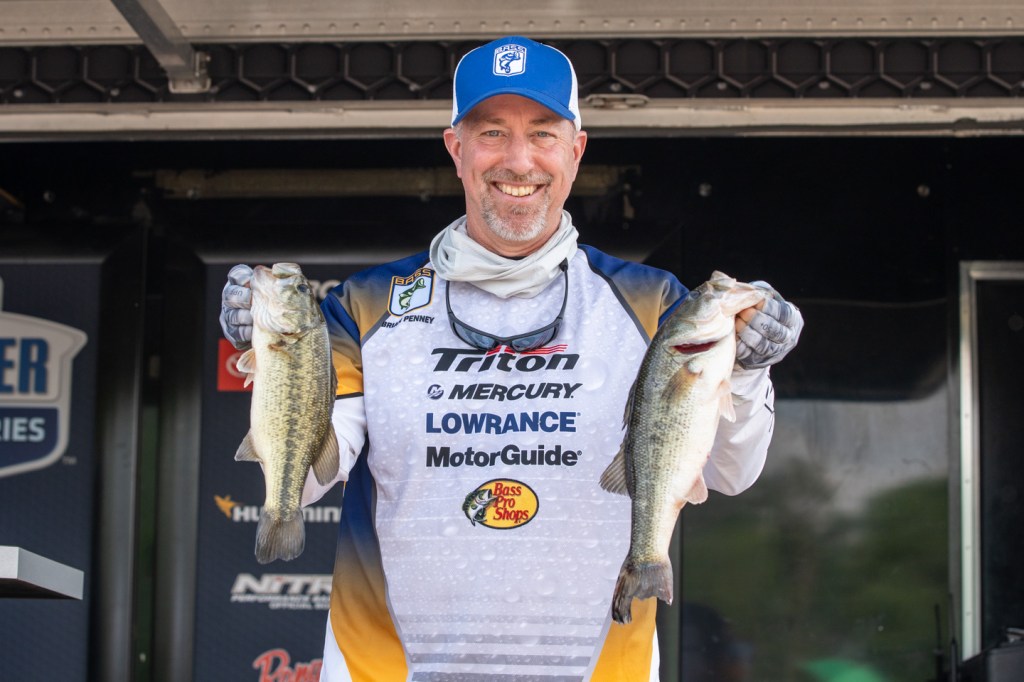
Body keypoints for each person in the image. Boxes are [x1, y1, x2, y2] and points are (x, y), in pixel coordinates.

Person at [220, 35, 803, 682]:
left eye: (544, 133)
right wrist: (269, 351)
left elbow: (730, 472)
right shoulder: (363, 306)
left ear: (576, 151)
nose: (519, 160)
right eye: (492, 132)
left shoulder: (655, 304)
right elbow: (303, 479)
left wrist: (747, 369)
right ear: (456, 149)